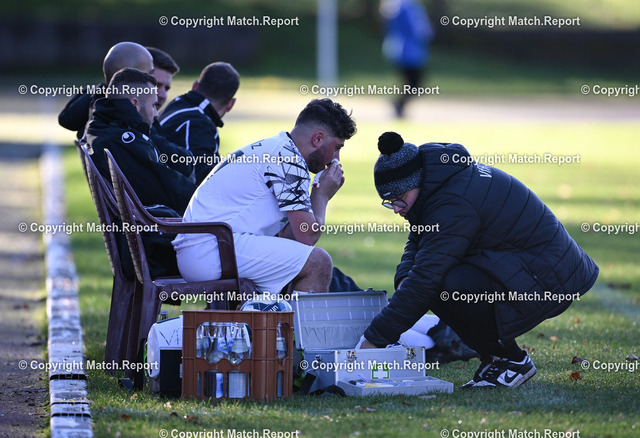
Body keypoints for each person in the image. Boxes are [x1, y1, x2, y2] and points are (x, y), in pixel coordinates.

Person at [360, 132, 599, 389]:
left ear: (415, 183)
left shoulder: (451, 202)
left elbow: (425, 279)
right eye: (389, 202)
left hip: (550, 276)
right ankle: (499, 358)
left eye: (399, 199)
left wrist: (373, 341)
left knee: (442, 286)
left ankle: (510, 360)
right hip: (533, 264)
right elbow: (420, 240)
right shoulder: (437, 183)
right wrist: (404, 276)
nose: (396, 208)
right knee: (435, 282)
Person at [173, 98, 357, 295]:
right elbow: (308, 236)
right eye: (337, 148)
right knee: (318, 263)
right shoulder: (288, 159)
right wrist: (321, 195)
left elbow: (292, 237)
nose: (337, 158)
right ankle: (297, 318)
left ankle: (276, 316)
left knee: (302, 261)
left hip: (205, 248)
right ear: (318, 139)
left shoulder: (282, 150)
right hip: (210, 250)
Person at [84, 68, 195, 214]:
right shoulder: (122, 141)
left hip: (143, 221)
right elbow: (171, 191)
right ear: (134, 104)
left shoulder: (102, 127)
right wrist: (206, 195)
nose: (156, 114)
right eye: (153, 105)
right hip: (153, 226)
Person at [159, 62, 240, 184]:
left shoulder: (177, 105)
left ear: (195, 86)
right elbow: (205, 183)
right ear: (231, 104)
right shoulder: (199, 124)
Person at [58, 42, 154, 138]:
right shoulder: (125, 121)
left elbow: (66, 119)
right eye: (150, 73)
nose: (154, 79)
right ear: (131, 75)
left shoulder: (96, 112)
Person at [380, 0, 434, 118]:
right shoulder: (409, 6)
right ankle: (398, 104)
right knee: (414, 83)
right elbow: (420, 29)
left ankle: (399, 105)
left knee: (410, 83)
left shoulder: (394, 5)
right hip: (411, 51)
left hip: (396, 48)